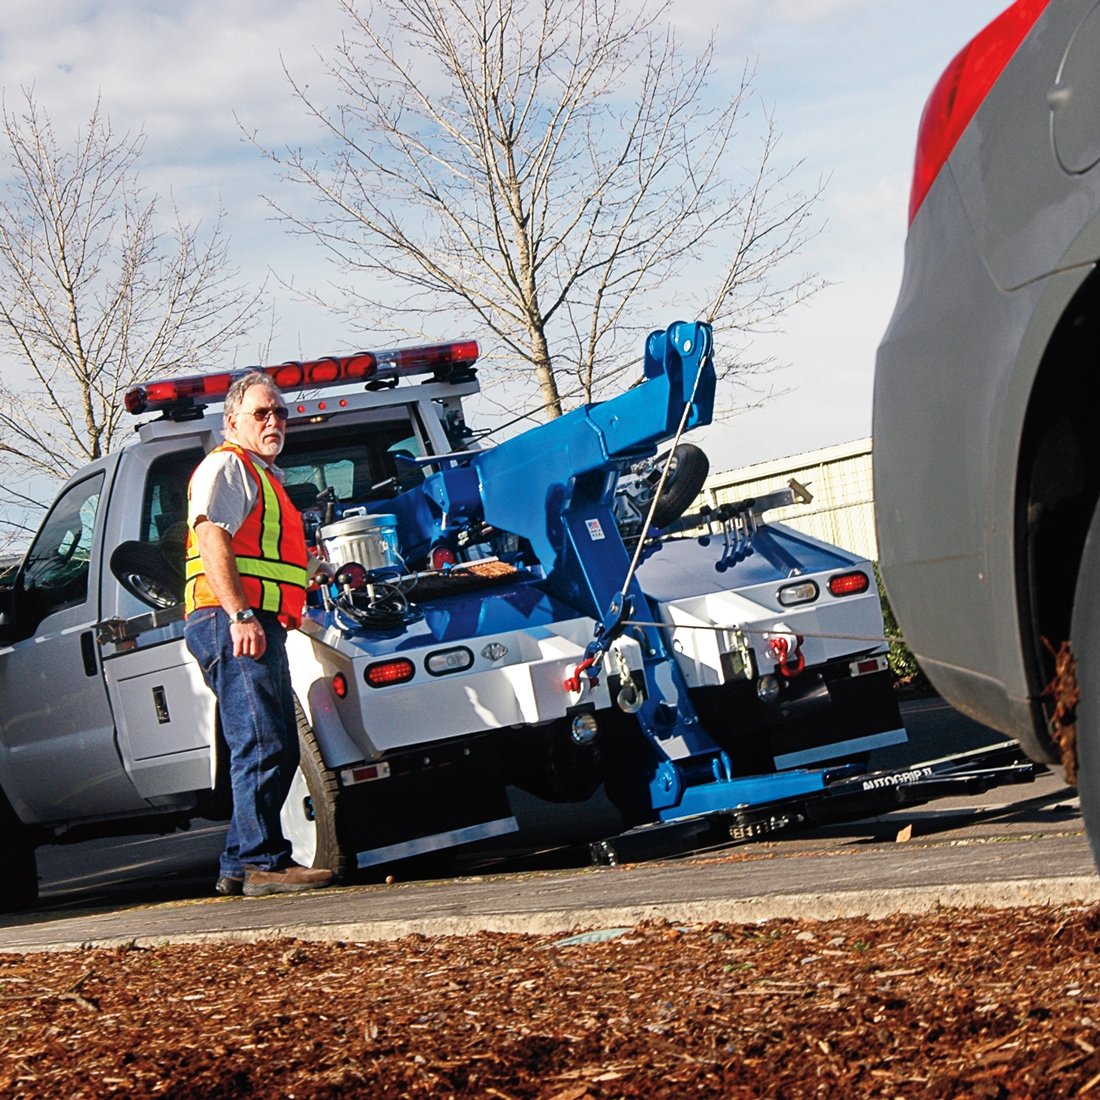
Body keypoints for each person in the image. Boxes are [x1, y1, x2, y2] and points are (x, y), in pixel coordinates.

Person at [183, 371, 335, 898]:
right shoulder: (229, 465)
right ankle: (263, 864)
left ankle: (236, 863)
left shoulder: (264, 476)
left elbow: (264, 554)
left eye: (281, 413)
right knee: (263, 742)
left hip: (250, 620)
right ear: (233, 422)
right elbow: (211, 539)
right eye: (262, 413)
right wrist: (240, 615)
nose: (275, 421)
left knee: (273, 743)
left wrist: (313, 570)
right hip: (232, 622)